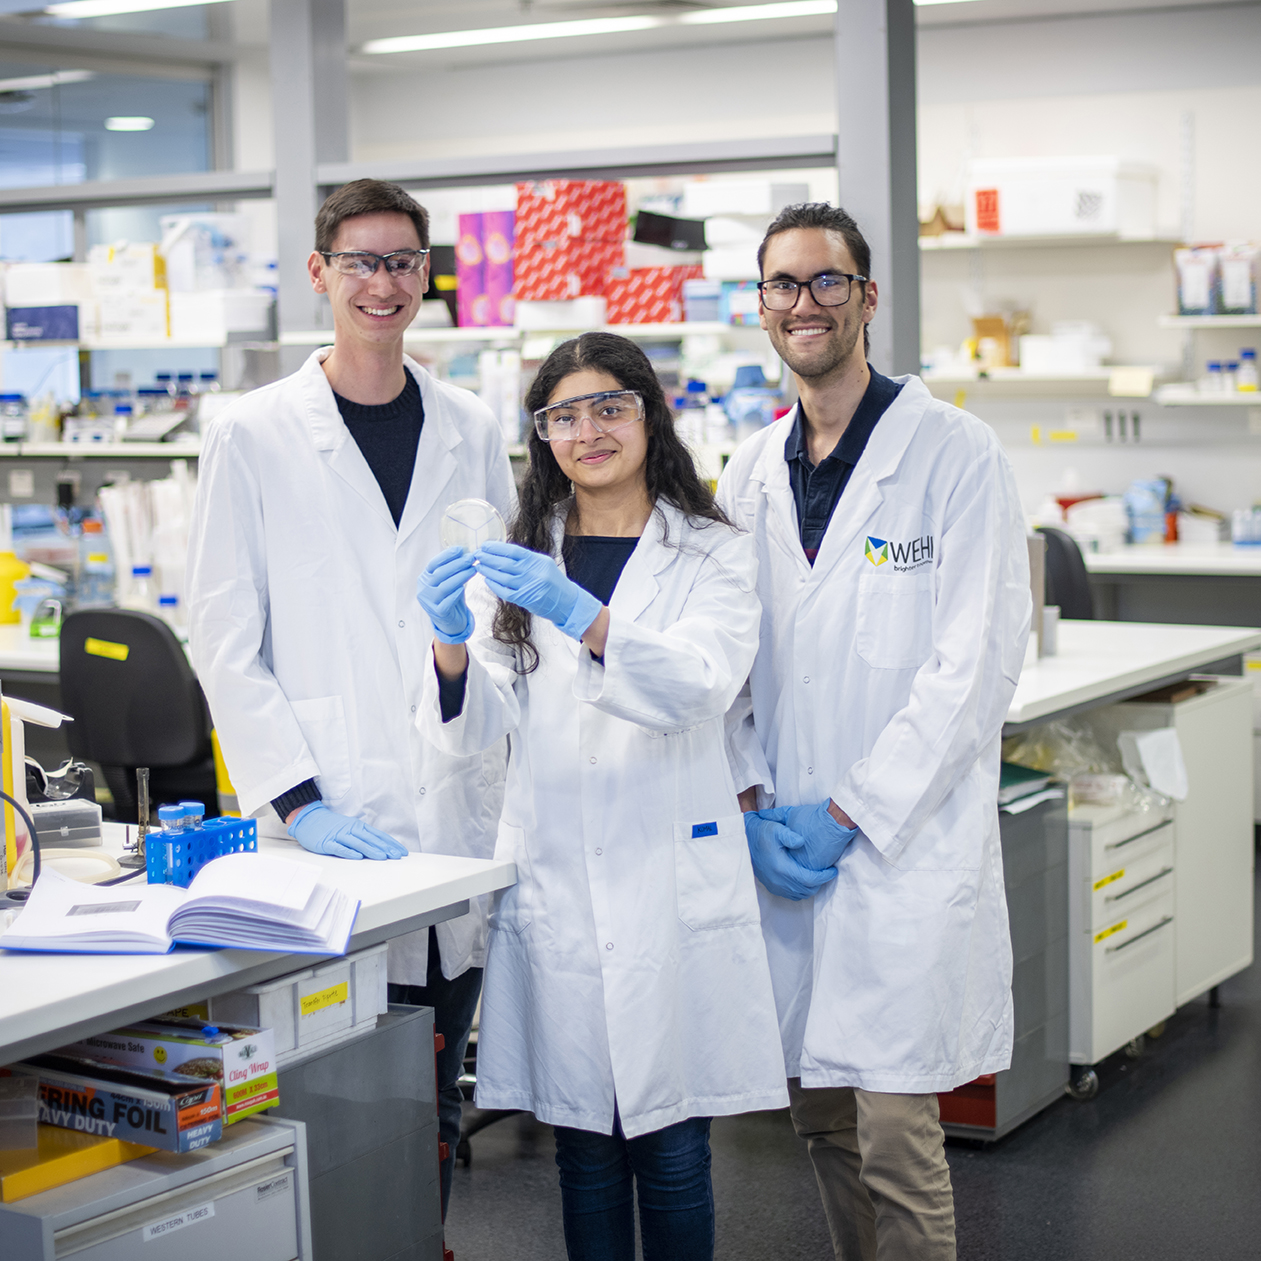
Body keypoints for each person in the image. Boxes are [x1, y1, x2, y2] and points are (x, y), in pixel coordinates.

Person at [414, 331, 787, 1261]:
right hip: (559, 876)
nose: (588, 430)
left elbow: (700, 683)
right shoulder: (521, 554)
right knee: (582, 1148)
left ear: (648, 415)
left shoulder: (711, 552)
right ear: (541, 435)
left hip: (670, 869)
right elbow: (479, 729)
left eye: (609, 407)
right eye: (563, 415)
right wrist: (447, 647)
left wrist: (582, 613)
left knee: (669, 1148)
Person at [186, 178, 515, 1219]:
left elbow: (505, 619)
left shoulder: (469, 424)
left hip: (450, 807)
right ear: (321, 272)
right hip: (321, 824)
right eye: (363, 262)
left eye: (404, 263)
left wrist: (474, 703)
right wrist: (298, 796)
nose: (384, 283)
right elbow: (225, 640)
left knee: (434, 1104)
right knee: (331, 1104)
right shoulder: (251, 432)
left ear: (428, 278)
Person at [716, 203, 1031, 1261]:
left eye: (826, 282)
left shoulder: (954, 454)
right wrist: (753, 799)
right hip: (787, 850)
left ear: (866, 297)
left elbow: (974, 664)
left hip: (898, 841)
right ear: (759, 306)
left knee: (898, 1135)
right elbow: (734, 667)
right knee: (816, 1116)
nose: (803, 305)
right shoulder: (748, 471)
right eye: (782, 286)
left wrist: (851, 811)